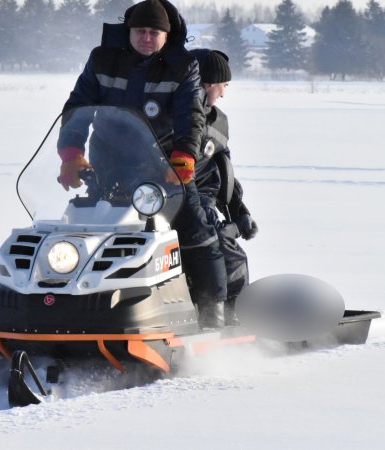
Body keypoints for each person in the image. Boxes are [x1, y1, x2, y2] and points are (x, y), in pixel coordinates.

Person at [56, 0, 228, 329]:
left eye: (154, 32)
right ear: (129, 31)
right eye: (140, 31)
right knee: (93, 226)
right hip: (109, 163)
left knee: (195, 227)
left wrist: (183, 156)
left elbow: (191, 116)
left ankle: (212, 309)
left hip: (164, 166)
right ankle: (76, 302)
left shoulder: (183, 66)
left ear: (167, 36)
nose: (146, 38)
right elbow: (78, 105)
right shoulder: (102, 59)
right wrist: (71, 153)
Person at [189, 48, 259, 326]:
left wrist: (239, 210)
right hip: (156, 201)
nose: (224, 94)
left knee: (227, 250)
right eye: (223, 86)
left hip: (200, 205)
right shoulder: (168, 117)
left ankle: (229, 317)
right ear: (207, 84)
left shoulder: (218, 123)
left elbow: (222, 173)